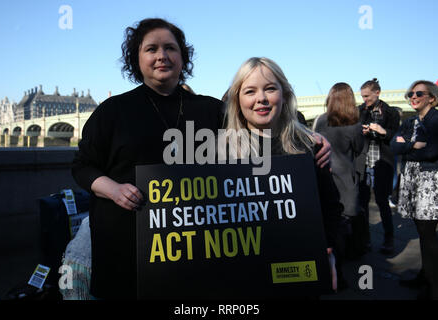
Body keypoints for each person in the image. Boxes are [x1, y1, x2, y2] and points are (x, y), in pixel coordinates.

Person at [71, 18, 332, 300]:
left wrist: (310, 134)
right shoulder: (112, 111)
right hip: (126, 246)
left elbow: (257, 120)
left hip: (191, 251)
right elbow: (82, 166)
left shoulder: (210, 109)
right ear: (137, 58)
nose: (162, 56)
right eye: (151, 49)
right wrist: (113, 189)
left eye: (170, 48)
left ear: (183, 58)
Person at [222, 57, 343, 294]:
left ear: (284, 94)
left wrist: (328, 249)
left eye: (270, 88)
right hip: (244, 279)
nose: (261, 99)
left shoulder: (309, 146)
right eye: (250, 91)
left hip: (297, 274)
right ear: (237, 99)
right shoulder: (220, 150)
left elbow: (330, 207)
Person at [391, 80, 438, 300]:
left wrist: (406, 148)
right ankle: (425, 276)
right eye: (410, 93)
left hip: (430, 179)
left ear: (432, 97)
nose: (413, 96)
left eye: (419, 93)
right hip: (412, 177)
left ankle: (436, 288)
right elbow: (394, 146)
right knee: (422, 232)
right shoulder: (410, 121)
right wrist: (412, 146)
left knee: (428, 233)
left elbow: (432, 152)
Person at [313, 83, 364, 282]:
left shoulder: (320, 121)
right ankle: (343, 266)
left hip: (325, 177)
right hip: (346, 180)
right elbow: (358, 150)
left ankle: (335, 271)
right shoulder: (355, 125)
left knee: (329, 225)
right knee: (344, 224)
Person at [355, 78, 400, 255]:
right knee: (363, 204)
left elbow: (396, 139)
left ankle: (389, 239)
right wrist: (361, 131)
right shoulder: (360, 111)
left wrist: (382, 132)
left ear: (377, 93)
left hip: (382, 162)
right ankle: (365, 239)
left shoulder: (390, 112)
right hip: (364, 163)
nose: (364, 99)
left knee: (382, 202)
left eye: (367, 96)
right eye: (362, 96)